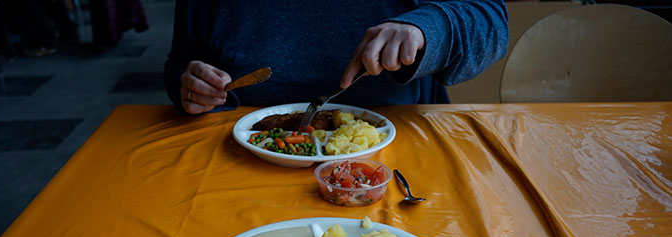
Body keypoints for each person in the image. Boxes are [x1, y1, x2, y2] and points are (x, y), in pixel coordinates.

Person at [164, 1, 509, 115]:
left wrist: (426, 29)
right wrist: (190, 86)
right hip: (237, 153)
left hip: (391, 153)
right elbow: (179, 64)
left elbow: (492, 22)